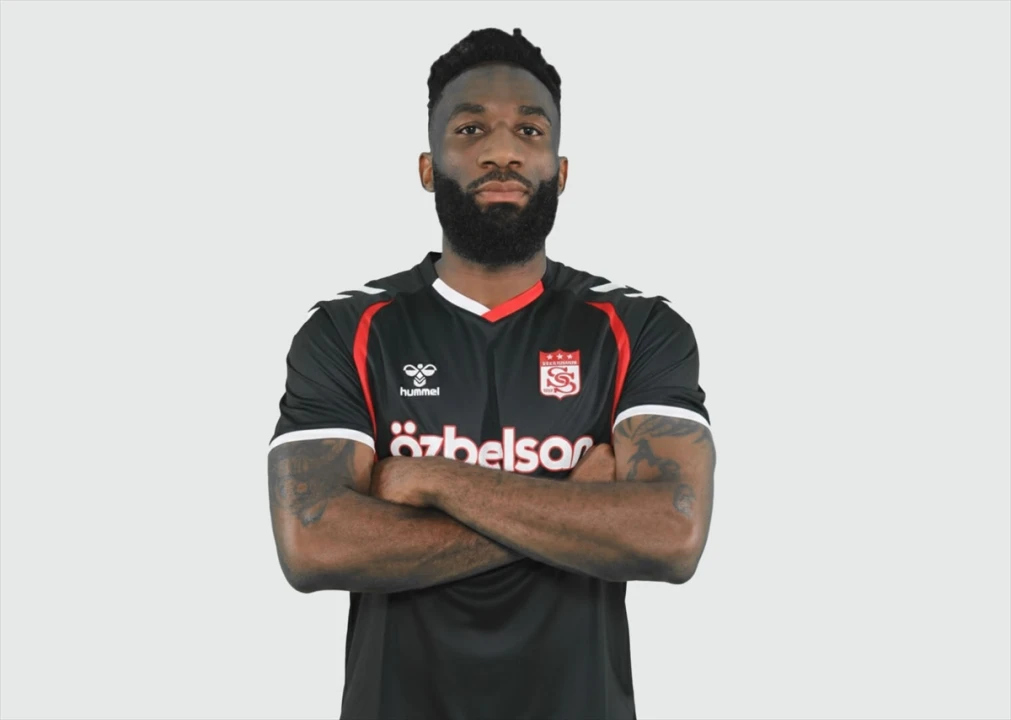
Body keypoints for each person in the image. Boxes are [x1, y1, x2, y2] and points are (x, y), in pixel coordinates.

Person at [266, 27, 716, 720]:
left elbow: (671, 537)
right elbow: (314, 545)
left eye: (530, 131)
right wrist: (576, 509)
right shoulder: (345, 329)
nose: (502, 151)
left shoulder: (640, 327)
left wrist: (435, 480)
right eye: (471, 128)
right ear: (427, 167)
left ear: (560, 170)